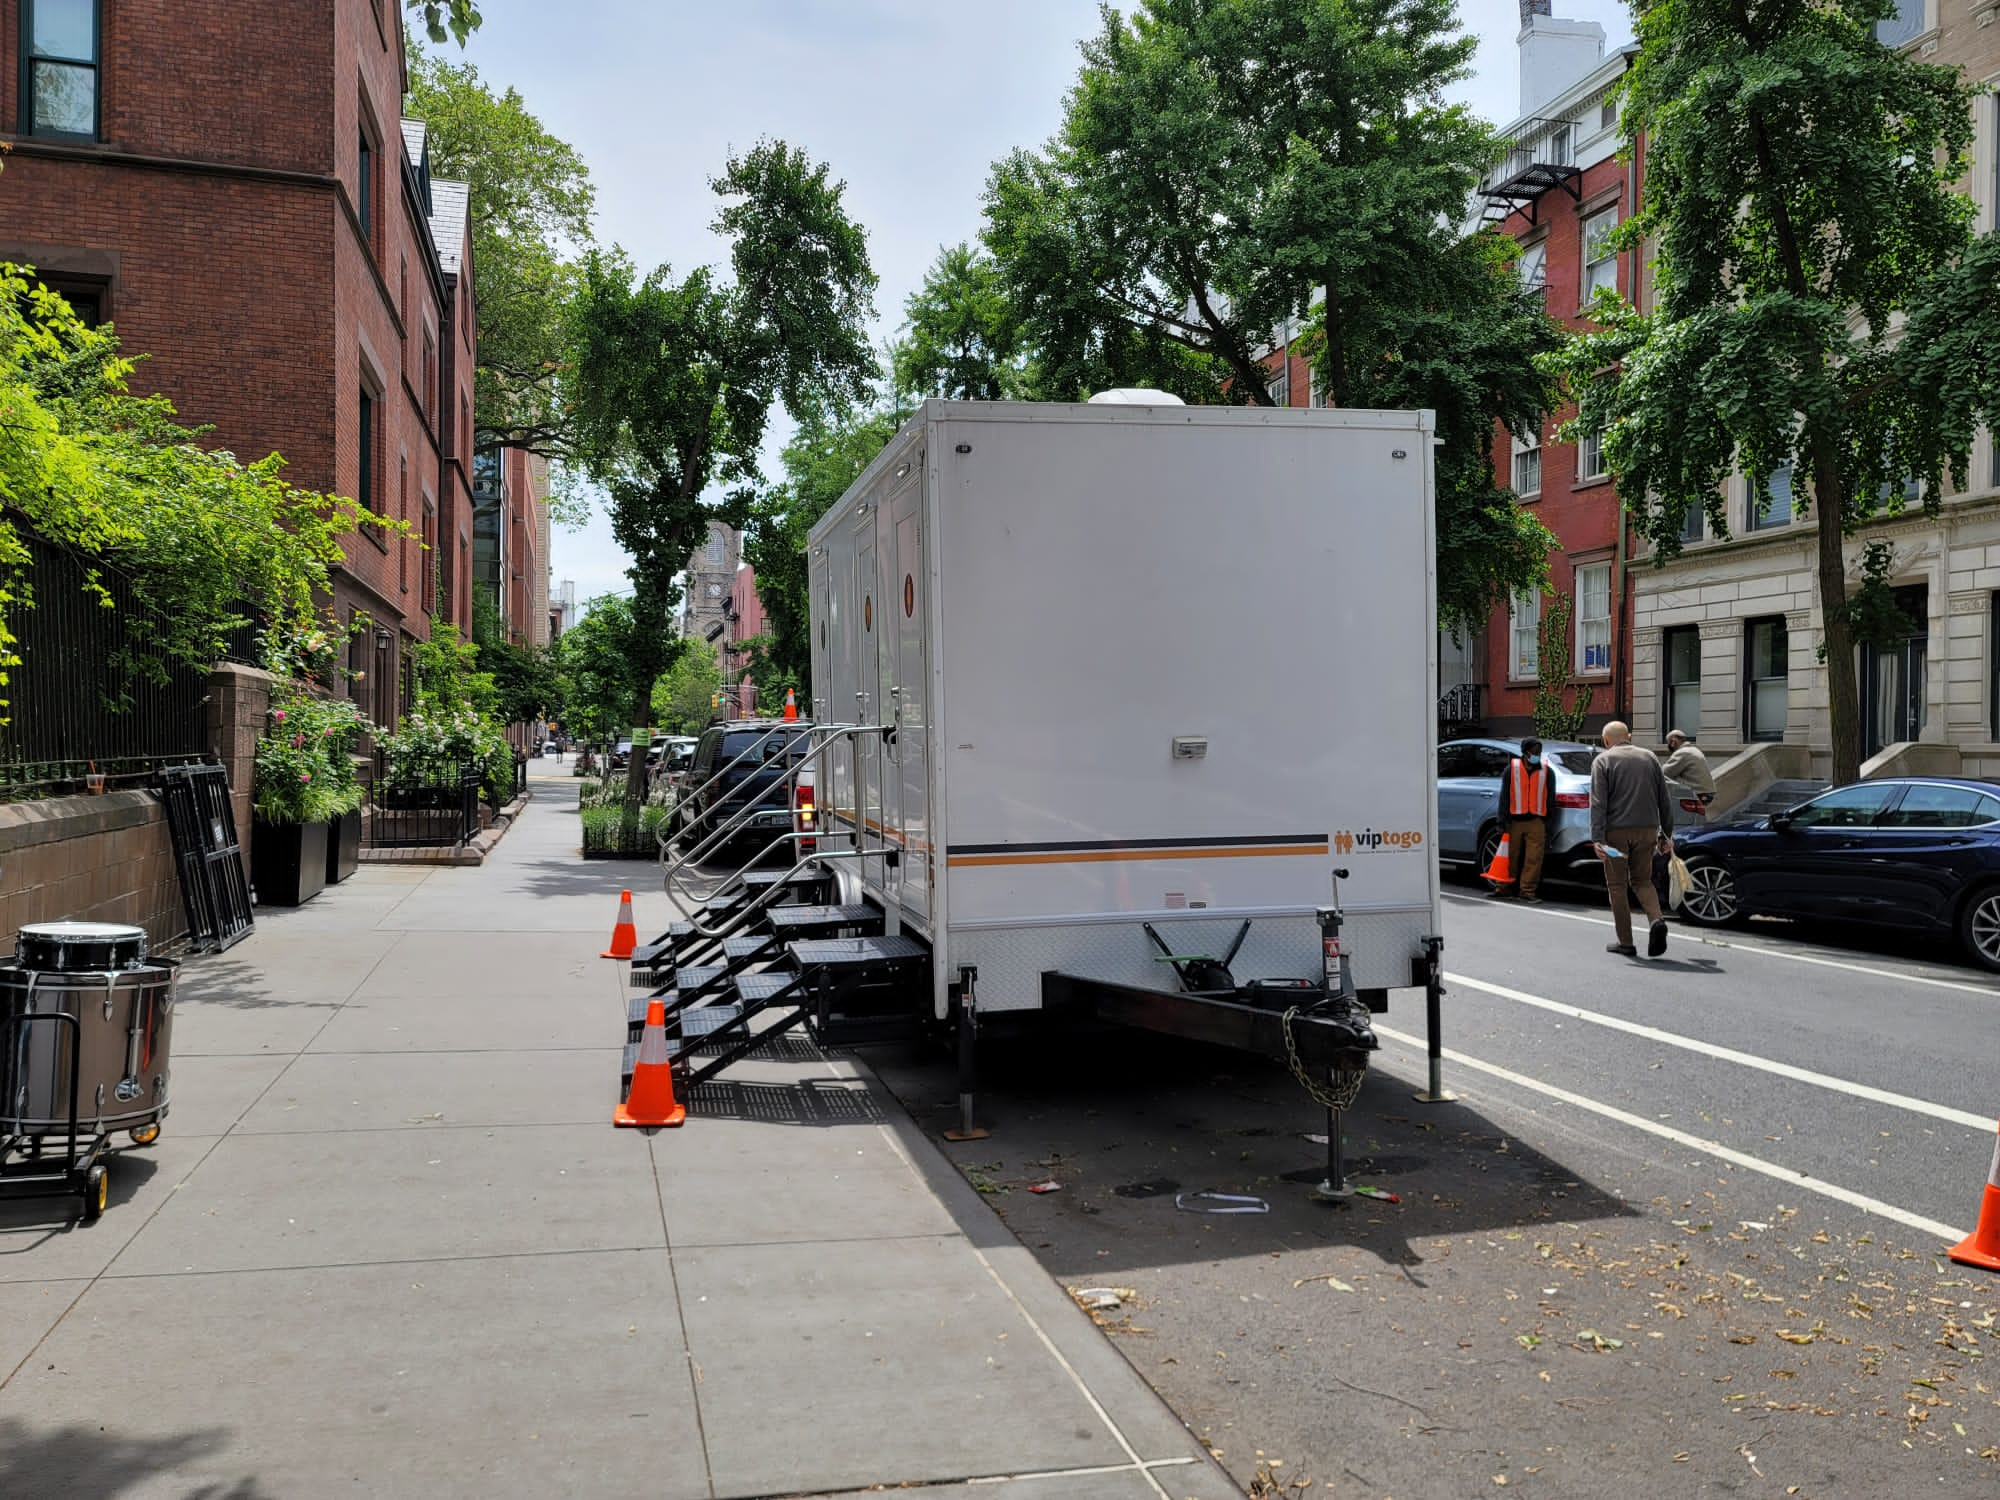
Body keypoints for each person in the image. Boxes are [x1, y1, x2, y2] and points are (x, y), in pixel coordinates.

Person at [1590, 720, 1676, 958]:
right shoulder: (1649, 757)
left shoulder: (1603, 760)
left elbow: (1598, 803)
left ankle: (1625, 942)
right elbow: (1664, 799)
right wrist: (1667, 833)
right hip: (1647, 830)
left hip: (1616, 833)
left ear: (1605, 740)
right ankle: (1656, 919)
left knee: (1617, 886)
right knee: (1643, 881)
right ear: (1629, 736)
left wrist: (1597, 838)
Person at [1488, 737, 1557, 904]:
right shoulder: (1511, 770)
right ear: (1525, 752)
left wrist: (1547, 822)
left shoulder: (1547, 771)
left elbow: (1550, 799)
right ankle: (1503, 888)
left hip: (1536, 820)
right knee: (1509, 857)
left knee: (1534, 858)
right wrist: (1501, 820)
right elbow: (1504, 796)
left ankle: (1527, 891)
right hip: (1514, 820)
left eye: (1539, 752)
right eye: (1534, 752)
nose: (1537, 755)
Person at [1662, 729, 1715, 811]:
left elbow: (1663, 773)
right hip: (1707, 793)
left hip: (1698, 793)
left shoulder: (1682, 753)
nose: (1670, 748)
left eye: (1669, 744)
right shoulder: (1694, 750)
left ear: (1673, 741)